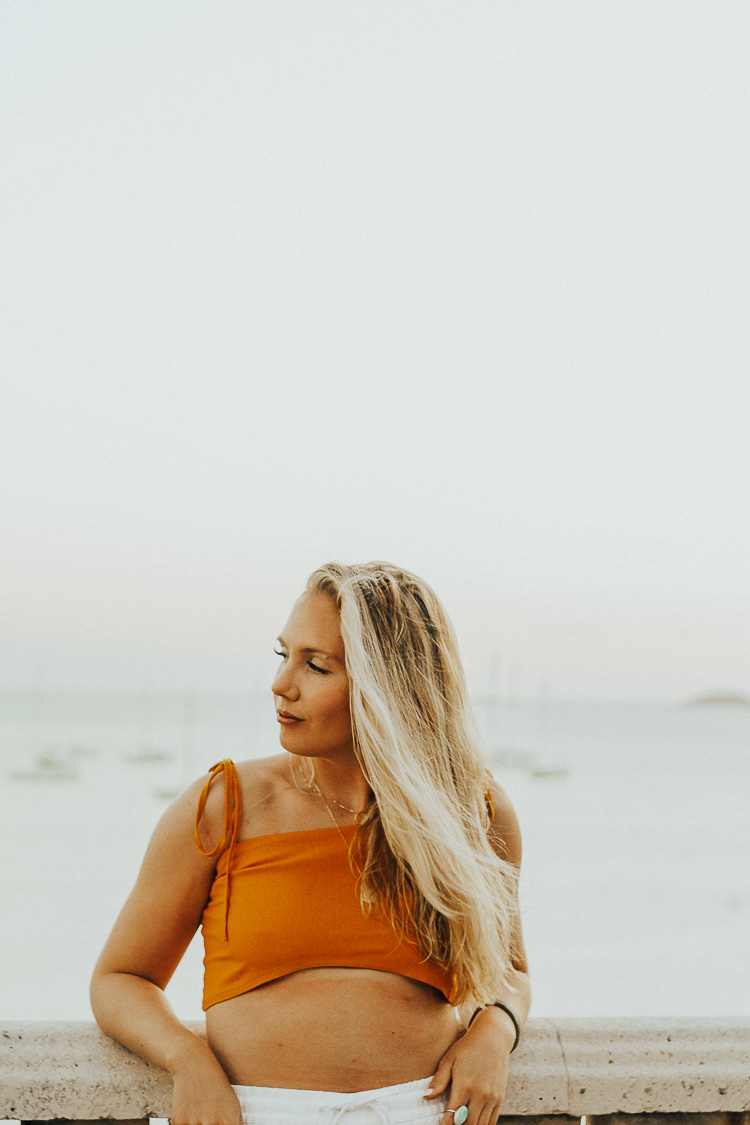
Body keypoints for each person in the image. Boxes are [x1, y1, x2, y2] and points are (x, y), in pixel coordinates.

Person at [91, 561, 530, 1125]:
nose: (281, 684)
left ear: (389, 689)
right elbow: (120, 979)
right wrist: (187, 1060)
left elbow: (510, 973)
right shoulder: (223, 806)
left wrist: (495, 1030)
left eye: (316, 665)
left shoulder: (474, 814)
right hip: (252, 1114)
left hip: (424, 1112)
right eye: (284, 655)